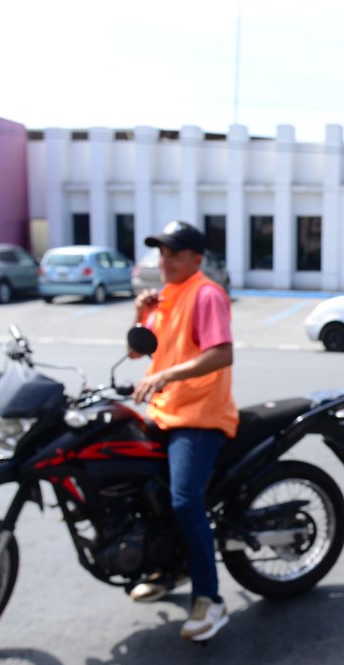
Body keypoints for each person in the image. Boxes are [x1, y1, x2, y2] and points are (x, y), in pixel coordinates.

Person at [129, 220, 239, 642]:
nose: (165, 261)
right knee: (143, 489)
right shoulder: (164, 297)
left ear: (196, 259)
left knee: (184, 501)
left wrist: (165, 376)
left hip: (199, 416)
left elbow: (222, 353)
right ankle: (167, 567)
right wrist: (140, 312)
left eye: (174, 253)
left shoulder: (206, 293)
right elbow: (138, 350)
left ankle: (209, 600)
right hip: (163, 411)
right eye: (161, 253)